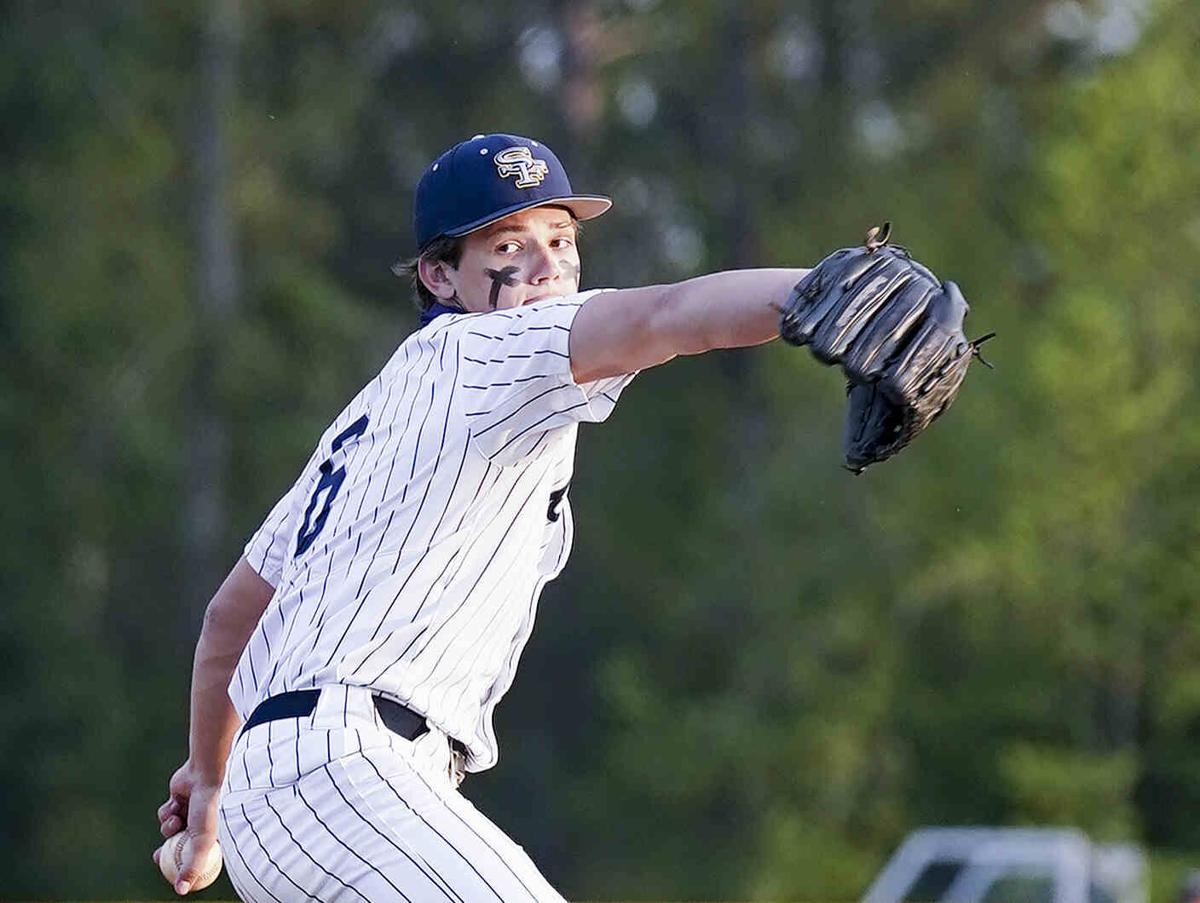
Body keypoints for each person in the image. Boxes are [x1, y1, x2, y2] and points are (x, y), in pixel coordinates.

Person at [156, 132, 807, 901]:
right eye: (509, 242)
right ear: (439, 274)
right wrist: (819, 287)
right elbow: (666, 316)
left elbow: (230, 623)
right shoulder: (488, 349)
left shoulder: (379, 410)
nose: (547, 265)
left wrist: (209, 798)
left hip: (310, 791)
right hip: (348, 770)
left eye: (561, 238)